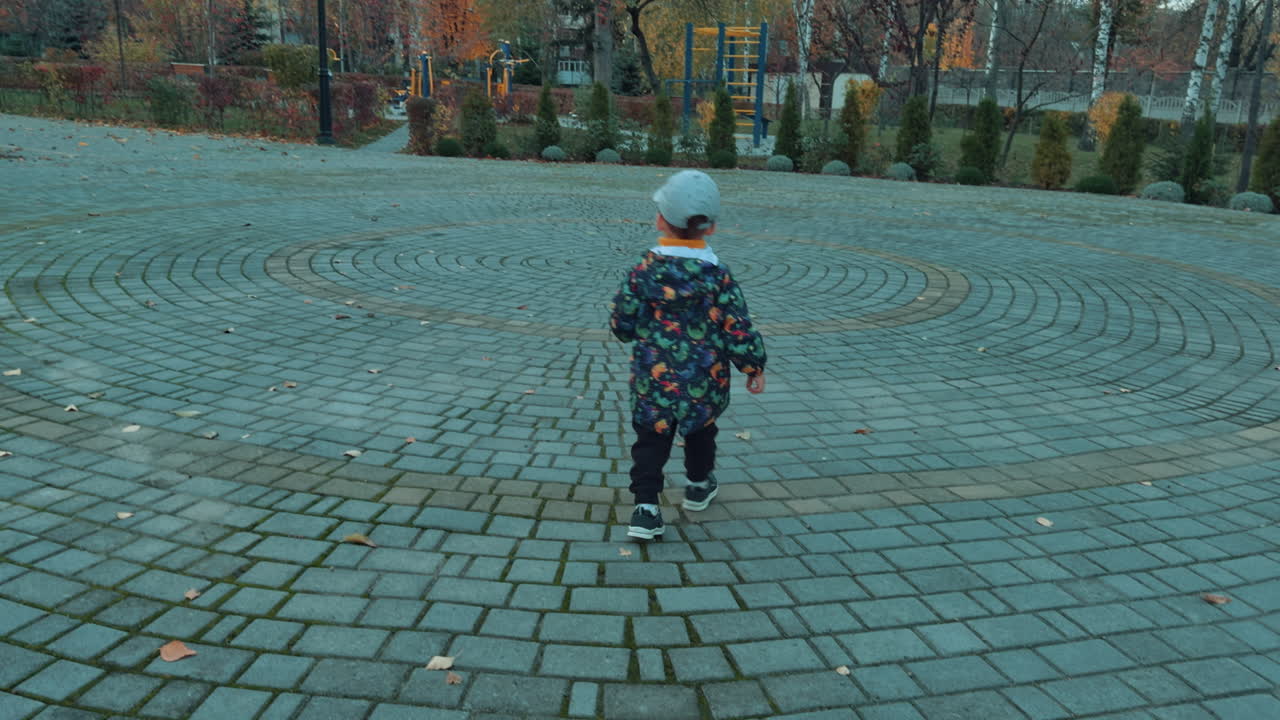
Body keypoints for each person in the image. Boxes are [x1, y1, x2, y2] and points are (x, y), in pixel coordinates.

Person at [609, 170, 767, 540]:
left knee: (650, 439)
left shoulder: (644, 272)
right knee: (700, 433)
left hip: (654, 380)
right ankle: (697, 484)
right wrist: (752, 364)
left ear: (661, 220)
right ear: (709, 228)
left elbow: (622, 322)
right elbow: (737, 325)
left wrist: (631, 330)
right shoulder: (719, 276)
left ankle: (646, 508)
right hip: (704, 379)